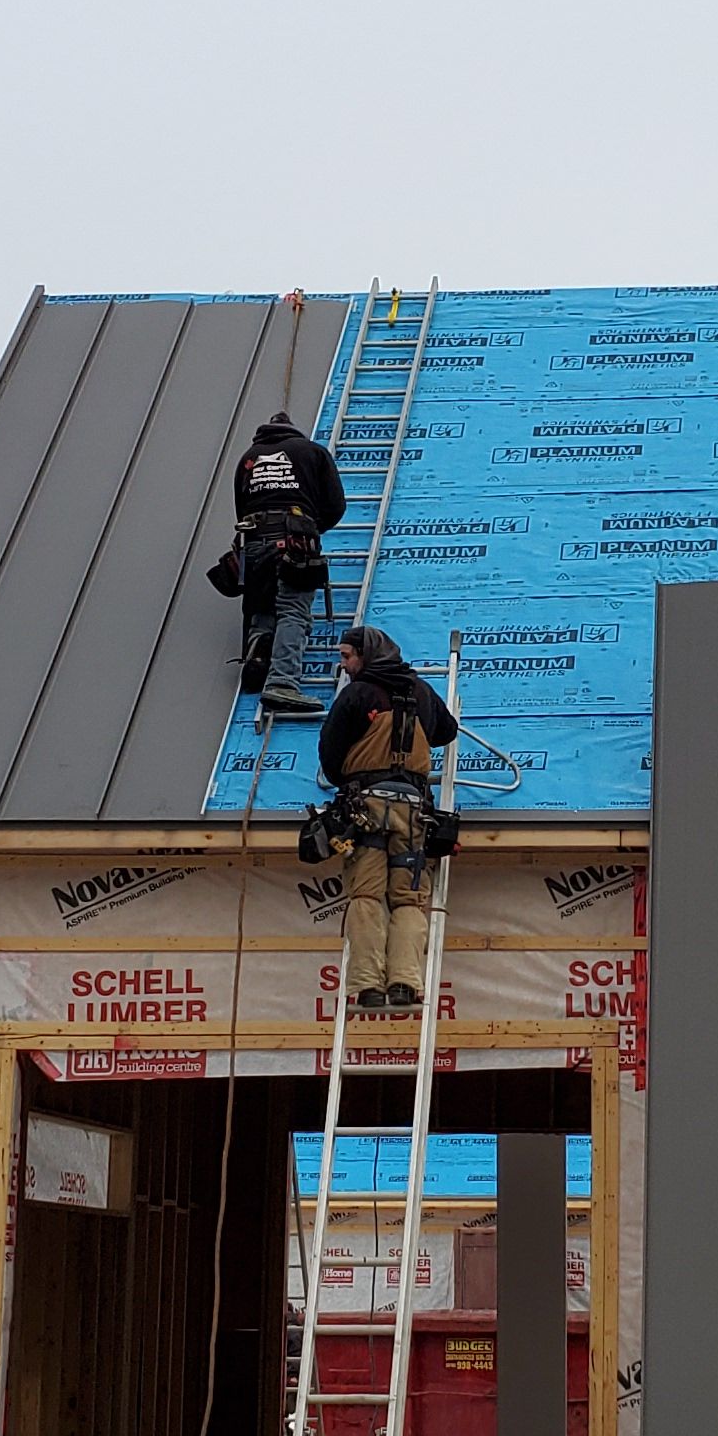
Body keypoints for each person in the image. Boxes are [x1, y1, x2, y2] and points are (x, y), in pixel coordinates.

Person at [318, 624, 455, 1011]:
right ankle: (405, 984)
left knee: (366, 896)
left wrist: (348, 775)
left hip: (366, 809)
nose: (343, 665)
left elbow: (330, 751)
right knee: (409, 899)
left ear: (366, 655)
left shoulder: (358, 694)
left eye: (347, 656)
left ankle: (368, 986)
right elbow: (447, 730)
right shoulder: (422, 691)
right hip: (414, 813)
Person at [207, 399, 348, 697]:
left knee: (261, 607)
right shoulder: (311, 452)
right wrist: (312, 527)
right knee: (293, 610)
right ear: (293, 431)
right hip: (296, 541)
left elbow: (241, 507)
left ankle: (258, 661)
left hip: (253, 541)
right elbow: (335, 505)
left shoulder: (248, 458)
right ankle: (282, 682)